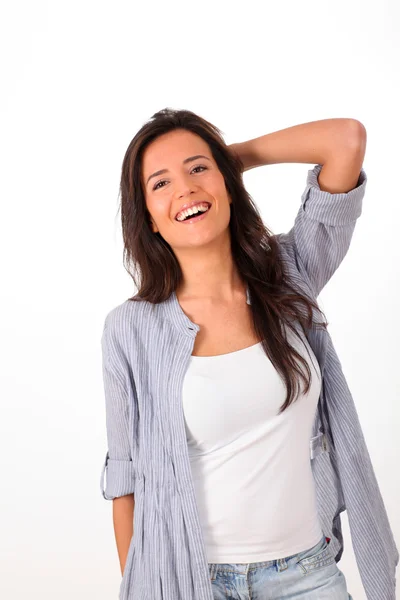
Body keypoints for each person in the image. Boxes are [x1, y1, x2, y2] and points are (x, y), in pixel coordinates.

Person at [99, 108, 398, 600]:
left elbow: (345, 140)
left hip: (307, 575)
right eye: (160, 184)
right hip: (196, 583)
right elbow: (126, 485)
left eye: (198, 168)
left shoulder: (289, 274)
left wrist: (231, 160)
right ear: (147, 218)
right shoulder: (130, 329)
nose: (185, 190)